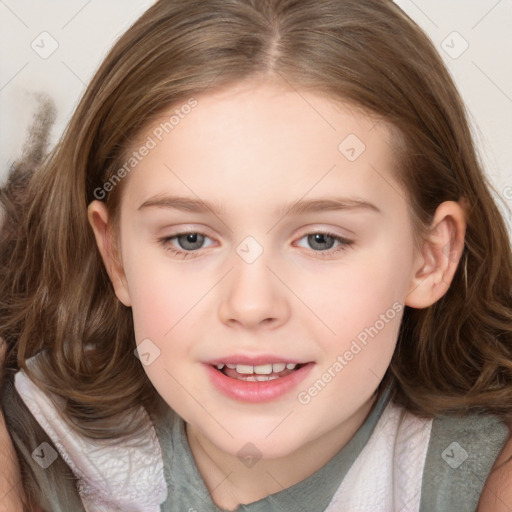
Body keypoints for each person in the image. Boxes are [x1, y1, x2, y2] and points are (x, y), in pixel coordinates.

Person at [1, 0, 511, 510]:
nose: (250, 304)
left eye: (321, 240)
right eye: (190, 239)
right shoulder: (30, 450)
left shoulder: (485, 475)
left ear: (431, 256)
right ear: (115, 255)